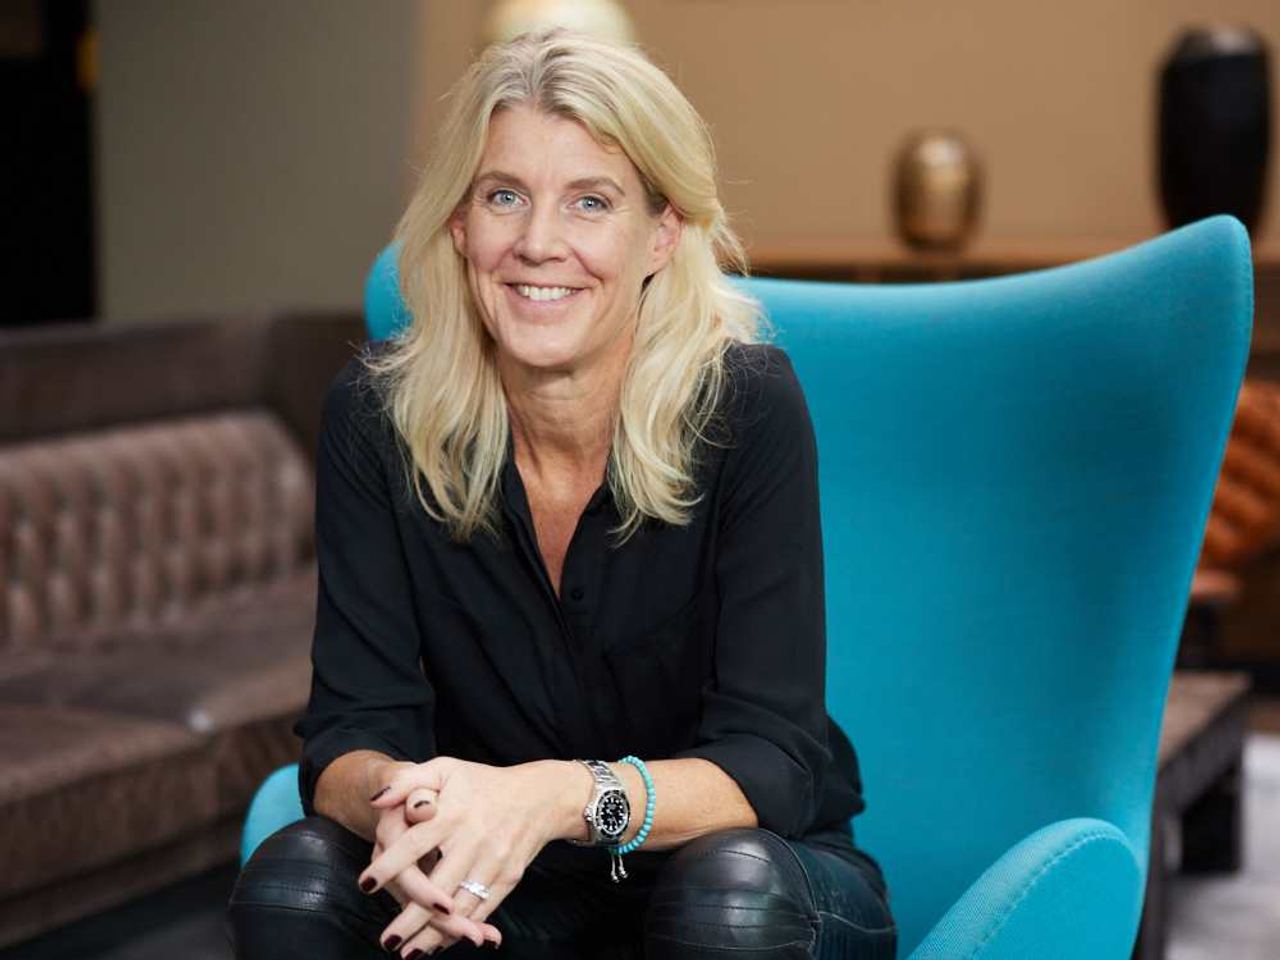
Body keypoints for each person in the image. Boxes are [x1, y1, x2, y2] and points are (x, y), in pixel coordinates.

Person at [226, 27, 896, 960]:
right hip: (503, 882)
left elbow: (771, 766)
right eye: (505, 196)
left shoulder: (745, 406)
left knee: (727, 904)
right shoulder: (377, 418)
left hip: (747, 877)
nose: (539, 244)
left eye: (591, 202)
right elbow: (347, 734)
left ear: (661, 234)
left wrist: (557, 796)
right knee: (296, 885)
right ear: (460, 226)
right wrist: (410, 807)